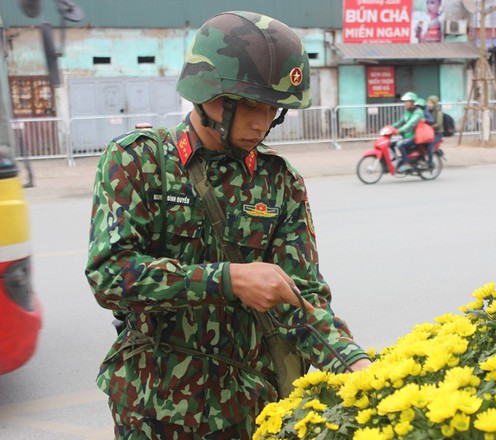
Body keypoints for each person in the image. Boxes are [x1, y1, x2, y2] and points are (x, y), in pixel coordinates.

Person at [85, 11, 371, 439]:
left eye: (272, 109)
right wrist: (228, 281)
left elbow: (301, 299)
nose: (261, 122)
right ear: (207, 92)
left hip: (252, 409)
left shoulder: (280, 180)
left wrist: (356, 366)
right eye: (251, 106)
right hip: (155, 410)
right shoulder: (139, 161)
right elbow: (110, 275)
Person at [392, 91, 425, 172]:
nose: (405, 103)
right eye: (405, 102)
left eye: (407, 102)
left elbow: (411, 124)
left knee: (400, 144)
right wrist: (390, 127)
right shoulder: (407, 112)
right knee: (391, 143)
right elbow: (400, 122)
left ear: (412, 102)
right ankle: (395, 161)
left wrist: (400, 130)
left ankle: (406, 164)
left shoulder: (418, 112)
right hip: (407, 136)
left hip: (415, 137)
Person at [426, 95, 445, 167]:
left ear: (435, 104)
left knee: (430, 146)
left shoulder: (439, 112)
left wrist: (430, 127)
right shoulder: (427, 111)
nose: (429, 104)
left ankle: (430, 163)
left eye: (431, 103)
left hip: (438, 133)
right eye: (428, 103)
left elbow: (439, 123)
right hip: (430, 132)